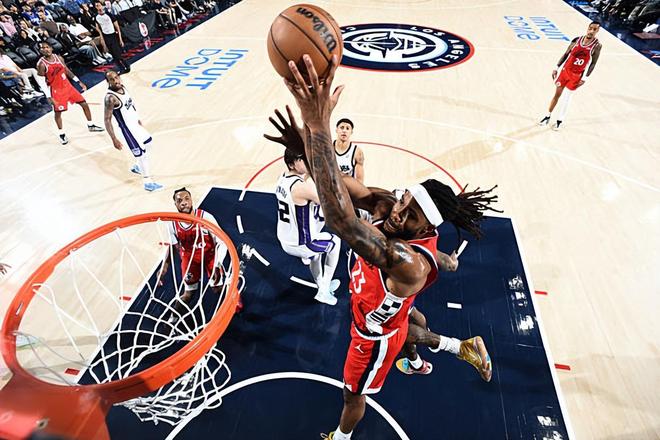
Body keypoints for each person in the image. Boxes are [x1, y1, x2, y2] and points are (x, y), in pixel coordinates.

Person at [271, 54, 500, 440]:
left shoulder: (407, 262)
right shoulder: (393, 207)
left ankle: (341, 437)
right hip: (389, 302)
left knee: (352, 393)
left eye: (409, 216)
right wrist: (309, 144)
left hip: (372, 333)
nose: (397, 213)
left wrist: (318, 125)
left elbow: (341, 220)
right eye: (402, 200)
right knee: (412, 324)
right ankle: (451, 349)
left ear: (425, 228)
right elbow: (342, 185)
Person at [156, 188, 241, 322]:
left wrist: (217, 263)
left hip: (210, 256)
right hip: (190, 259)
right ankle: (172, 319)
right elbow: (172, 246)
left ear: (191, 200)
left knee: (217, 288)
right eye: (179, 200)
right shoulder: (172, 224)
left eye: (186, 199)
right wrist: (164, 266)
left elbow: (222, 241)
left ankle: (233, 295)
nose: (184, 202)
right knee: (189, 294)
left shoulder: (206, 218)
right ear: (175, 204)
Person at [270, 146, 341, 306]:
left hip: (285, 238)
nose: (306, 161)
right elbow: (327, 202)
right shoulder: (301, 187)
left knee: (316, 254)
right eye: (301, 159)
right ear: (292, 164)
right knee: (335, 242)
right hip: (302, 242)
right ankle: (324, 290)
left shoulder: (282, 178)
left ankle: (321, 285)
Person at [103, 70, 162, 191]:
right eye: (112, 79)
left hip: (135, 125)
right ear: (108, 82)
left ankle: (137, 167)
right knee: (142, 155)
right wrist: (114, 139)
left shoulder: (123, 88)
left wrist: (137, 119)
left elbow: (131, 105)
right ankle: (147, 183)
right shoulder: (110, 98)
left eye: (116, 77)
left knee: (149, 142)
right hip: (128, 131)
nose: (115, 81)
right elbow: (107, 120)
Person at [36, 41, 104, 145]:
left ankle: (91, 125)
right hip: (56, 90)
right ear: (40, 51)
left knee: (84, 103)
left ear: (51, 48)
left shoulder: (59, 58)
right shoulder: (41, 64)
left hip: (67, 86)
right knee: (58, 113)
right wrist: (49, 96)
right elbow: (41, 82)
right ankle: (61, 134)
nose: (46, 49)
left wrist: (78, 81)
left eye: (47, 47)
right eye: (43, 48)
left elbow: (66, 70)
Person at [538, 21, 602, 131]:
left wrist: (585, 78)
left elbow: (593, 63)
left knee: (566, 99)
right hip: (565, 72)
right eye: (590, 28)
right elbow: (566, 54)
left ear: (598, 31)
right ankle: (547, 116)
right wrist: (556, 67)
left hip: (576, 76)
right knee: (556, 95)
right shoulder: (577, 40)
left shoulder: (597, 45)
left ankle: (559, 121)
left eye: (594, 29)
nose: (591, 31)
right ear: (587, 28)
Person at [94, 1, 130, 73]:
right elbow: (99, 30)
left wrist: (120, 39)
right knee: (113, 55)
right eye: (96, 6)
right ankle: (121, 68)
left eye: (99, 5)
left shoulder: (109, 14)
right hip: (106, 36)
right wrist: (103, 41)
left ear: (102, 6)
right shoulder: (96, 17)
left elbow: (117, 27)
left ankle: (127, 66)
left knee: (117, 53)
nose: (98, 7)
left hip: (113, 35)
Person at [334, 118, 364, 184]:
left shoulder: (357, 152)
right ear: (336, 130)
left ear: (351, 132)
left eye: (347, 128)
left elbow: (360, 181)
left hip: (347, 187)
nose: (344, 131)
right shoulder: (329, 149)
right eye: (342, 128)